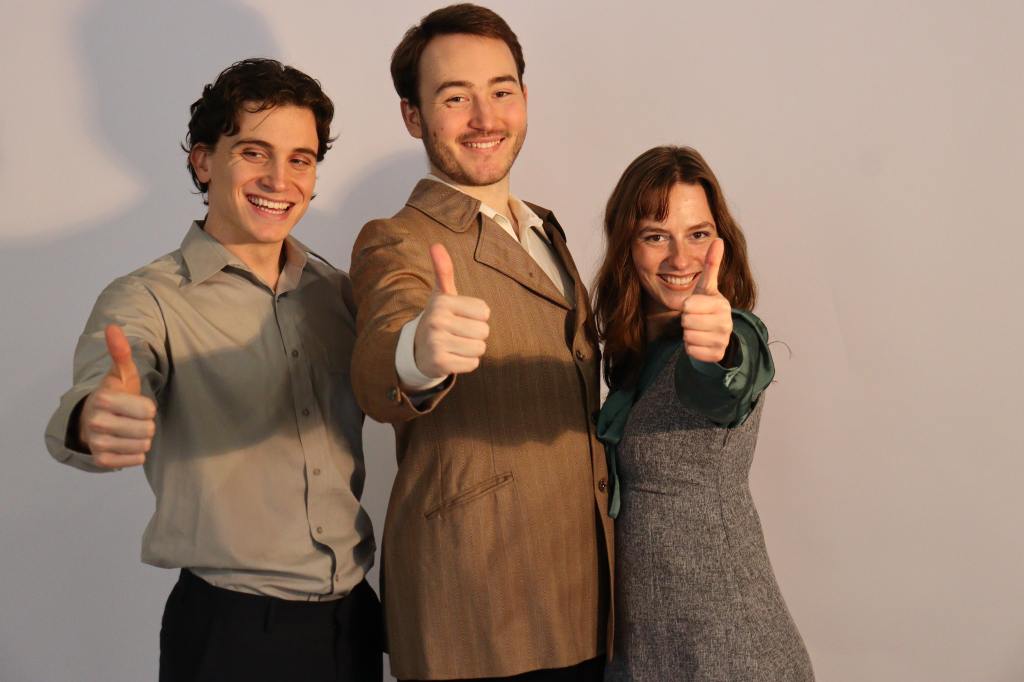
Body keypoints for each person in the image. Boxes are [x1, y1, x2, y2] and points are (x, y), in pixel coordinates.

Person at [43, 59, 382, 682]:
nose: (279, 179)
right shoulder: (145, 298)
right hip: (230, 635)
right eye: (254, 152)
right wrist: (97, 419)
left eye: (301, 159)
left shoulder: (339, 293)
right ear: (203, 161)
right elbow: (98, 392)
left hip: (353, 623)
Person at [349, 4, 612, 680]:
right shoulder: (395, 239)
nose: (484, 117)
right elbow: (379, 360)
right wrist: (417, 353)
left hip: (584, 593)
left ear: (524, 98)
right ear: (413, 116)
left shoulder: (545, 228)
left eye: (501, 91)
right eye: (454, 98)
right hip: (475, 605)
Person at [594, 146, 814, 681]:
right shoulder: (638, 356)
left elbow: (724, 382)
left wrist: (716, 352)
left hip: (730, 651)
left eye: (698, 234)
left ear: (721, 241)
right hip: (648, 647)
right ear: (626, 246)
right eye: (656, 236)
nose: (681, 258)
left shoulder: (732, 333)